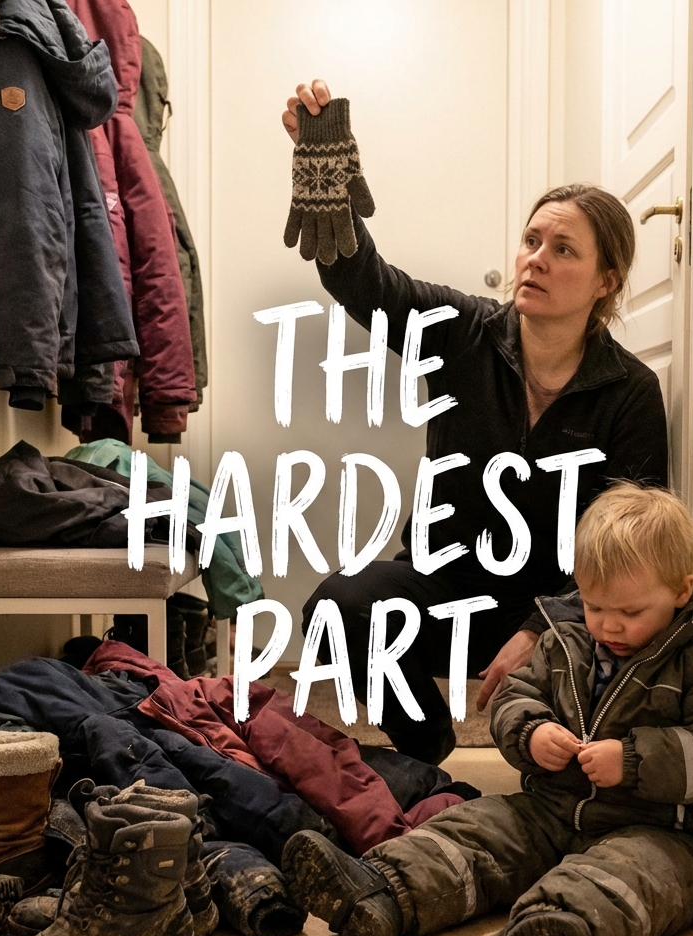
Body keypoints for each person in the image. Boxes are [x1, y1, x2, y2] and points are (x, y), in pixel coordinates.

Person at [285, 81, 669, 765]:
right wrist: (330, 184)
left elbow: (634, 549)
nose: (536, 258)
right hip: (443, 585)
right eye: (531, 240)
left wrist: (545, 625)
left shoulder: (630, 392)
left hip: (562, 607)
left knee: (609, 645)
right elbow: (366, 284)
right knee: (340, 608)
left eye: (564, 249)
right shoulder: (464, 332)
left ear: (606, 280)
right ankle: (425, 745)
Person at [281, 483, 693, 936]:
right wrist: (533, 733)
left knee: (632, 879)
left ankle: (548, 935)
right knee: (477, 829)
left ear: (682, 592)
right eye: (594, 606)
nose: (609, 626)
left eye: (631, 613)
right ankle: (380, 890)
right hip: (550, 809)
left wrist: (634, 760)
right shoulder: (566, 642)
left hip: (664, 831)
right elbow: (516, 697)